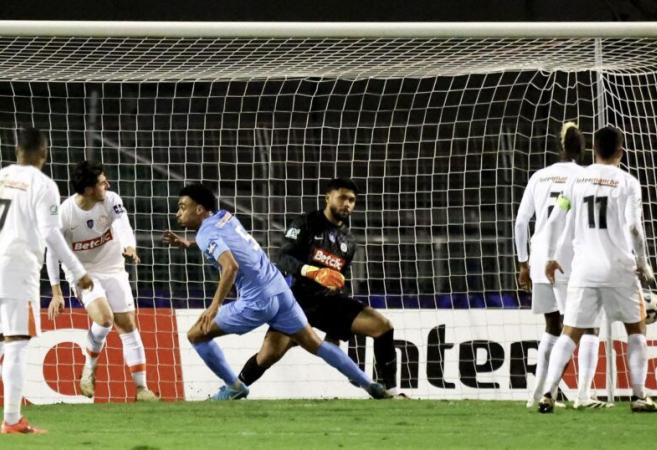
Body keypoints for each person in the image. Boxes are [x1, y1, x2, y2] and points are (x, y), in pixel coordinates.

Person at [162, 183, 387, 400]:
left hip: (257, 301)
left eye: (183, 207)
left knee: (196, 334)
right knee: (314, 343)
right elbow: (232, 244)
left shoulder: (205, 235)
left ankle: (234, 387)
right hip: (280, 289)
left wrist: (214, 306)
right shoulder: (224, 216)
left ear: (199, 209)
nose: (178, 213)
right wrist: (189, 243)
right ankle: (371, 385)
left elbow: (231, 266)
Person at [235, 178, 404, 397]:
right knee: (268, 355)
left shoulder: (348, 241)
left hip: (329, 303)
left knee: (383, 326)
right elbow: (283, 258)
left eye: (352, 200)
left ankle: (391, 393)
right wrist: (312, 272)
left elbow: (337, 281)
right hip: (297, 301)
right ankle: (234, 388)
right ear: (327, 197)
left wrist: (335, 330)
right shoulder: (305, 223)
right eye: (342, 197)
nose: (348, 204)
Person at [538, 126, 657, 413]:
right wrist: (643, 263)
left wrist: (552, 256)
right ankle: (639, 395)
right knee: (636, 328)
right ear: (620, 152)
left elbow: (557, 216)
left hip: (584, 270)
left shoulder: (576, 180)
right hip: (620, 269)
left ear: (593, 150)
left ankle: (548, 394)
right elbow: (634, 227)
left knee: (570, 332)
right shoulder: (628, 182)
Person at [0, 127, 93, 434]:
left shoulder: (1, 176)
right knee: (15, 340)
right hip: (15, 267)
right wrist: (78, 272)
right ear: (45, 153)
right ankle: (12, 420)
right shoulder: (44, 185)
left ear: (16, 152)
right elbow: (51, 233)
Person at [47, 160, 158, 401]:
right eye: (101, 182)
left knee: (128, 324)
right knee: (105, 319)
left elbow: (122, 224)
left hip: (114, 267)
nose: (107, 184)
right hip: (83, 272)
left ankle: (142, 389)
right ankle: (89, 367)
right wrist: (57, 292)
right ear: (88, 189)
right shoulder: (64, 213)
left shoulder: (111, 199)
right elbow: (52, 252)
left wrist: (130, 246)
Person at [515, 122, 608, 409]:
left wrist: (523, 263)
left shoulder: (540, 176)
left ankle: (539, 394)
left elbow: (521, 223)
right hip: (570, 260)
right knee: (588, 327)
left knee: (552, 327)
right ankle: (583, 395)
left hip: (540, 256)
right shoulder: (586, 177)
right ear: (583, 151)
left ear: (560, 147)